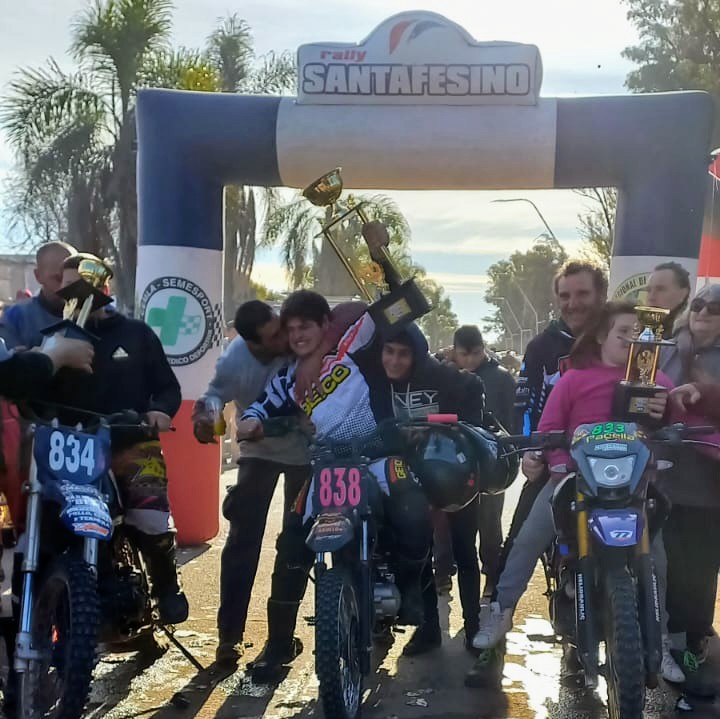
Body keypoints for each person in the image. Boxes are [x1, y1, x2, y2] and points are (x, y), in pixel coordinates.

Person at [472, 302, 682, 680]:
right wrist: (555, 461)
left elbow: (675, 420)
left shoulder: (657, 383)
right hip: (574, 480)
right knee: (528, 538)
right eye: (623, 332)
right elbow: (549, 427)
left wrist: (668, 417)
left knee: (658, 557)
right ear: (601, 335)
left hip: (633, 486)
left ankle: (660, 638)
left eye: (639, 334)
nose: (631, 341)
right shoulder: (574, 379)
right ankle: (501, 611)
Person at [237, 286, 434, 680]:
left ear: (325, 325)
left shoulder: (352, 343)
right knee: (291, 543)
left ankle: (411, 591)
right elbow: (255, 411)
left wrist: (325, 346)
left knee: (413, 508)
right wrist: (251, 424)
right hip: (327, 468)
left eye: (306, 326)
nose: (298, 336)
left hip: (378, 456)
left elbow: (408, 304)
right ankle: (279, 644)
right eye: (291, 329)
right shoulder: (287, 379)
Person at [465, 261, 607, 688]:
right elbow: (525, 406)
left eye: (582, 294)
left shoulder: (617, 338)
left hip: (611, 466)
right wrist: (531, 450)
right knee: (516, 543)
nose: (573, 303)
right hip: (553, 462)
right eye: (565, 295)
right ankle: (492, 645)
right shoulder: (542, 345)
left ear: (601, 295)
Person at [28, 253, 188, 625]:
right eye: (67, 287)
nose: (74, 295)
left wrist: (159, 411)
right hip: (69, 449)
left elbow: (168, 388)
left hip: (130, 441)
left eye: (82, 286)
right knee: (42, 517)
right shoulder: (53, 340)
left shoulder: (137, 334)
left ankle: (166, 586)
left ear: (104, 287)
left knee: (150, 516)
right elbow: (33, 394)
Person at [192, 300, 312, 667]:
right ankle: (229, 638)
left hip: (304, 455)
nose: (285, 338)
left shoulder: (299, 343)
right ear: (253, 344)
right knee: (242, 542)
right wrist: (206, 417)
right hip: (258, 454)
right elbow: (214, 396)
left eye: (282, 327)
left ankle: (280, 638)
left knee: (294, 543)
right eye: (274, 336)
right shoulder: (234, 361)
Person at [378, 328, 486, 656]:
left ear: (416, 356)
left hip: (454, 473)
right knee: (419, 550)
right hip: (411, 478)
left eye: (403, 354)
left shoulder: (439, 374)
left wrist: (442, 429)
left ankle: (473, 627)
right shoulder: (377, 382)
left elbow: (473, 387)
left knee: (465, 551)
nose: (394, 361)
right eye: (389, 351)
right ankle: (428, 630)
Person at [657, 283, 720, 690]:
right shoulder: (663, 350)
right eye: (699, 304)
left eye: (715, 308)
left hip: (708, 484)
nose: (704, 312)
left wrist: (703, 393)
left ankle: (693, 642)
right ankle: (663, 639)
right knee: (664, 565)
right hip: (661, 477)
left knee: (700, 567)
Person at [453, 325, 515, 600]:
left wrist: (510, 454)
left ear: (484, 349)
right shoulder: (447, 375)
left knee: (490, 523)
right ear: (455, 352)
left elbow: (512, 421)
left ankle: (492, 576)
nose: (469, 360)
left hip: (492, 463)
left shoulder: (501, 378)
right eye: (463, 354)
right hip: (455, 463)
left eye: (475, 354)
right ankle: (442, 574)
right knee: (448, 524)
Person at [0, 242, 76, 349]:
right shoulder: (15, 317)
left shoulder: (94, 315)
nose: (65, 286)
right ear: (38, 276)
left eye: (72, 281)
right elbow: (7, 358)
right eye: (58, 278)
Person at [647, 262, 691, 337]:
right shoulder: (639, 327)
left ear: (682, 294)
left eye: (660, 289)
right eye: (648, 290)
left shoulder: (688, 335)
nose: (651, 297)